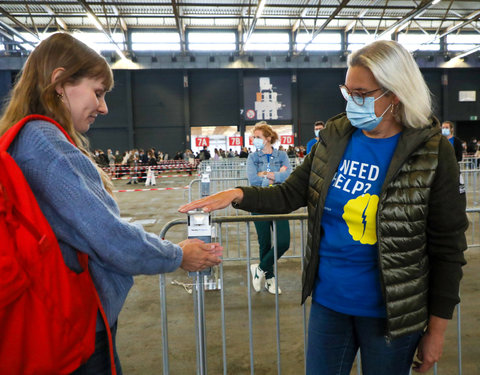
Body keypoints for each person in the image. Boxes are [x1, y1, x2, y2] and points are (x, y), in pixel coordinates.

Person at [179, 40, 467, 375]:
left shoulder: (432, 151)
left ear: (395, 93)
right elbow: (291, 193)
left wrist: (437, 330)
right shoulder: (335, 135)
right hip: (330, 303)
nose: (351, 102)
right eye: (348, 92)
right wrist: (237, 194)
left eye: (361, 94)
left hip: (392, 313)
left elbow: (448, 246)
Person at [1, 33, 223, 374]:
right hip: (76, 327)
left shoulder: (19, 138)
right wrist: (178, 254)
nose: (103, 107)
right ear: (60, 83)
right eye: (98, 92)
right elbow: (108, 237)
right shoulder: (44, 144)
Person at [247, 122, 292, 294]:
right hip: (259, 202)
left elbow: (287, 174)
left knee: (283, 242)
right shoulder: (252, 158)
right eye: (253, 137)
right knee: (264, 242)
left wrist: (265, 175)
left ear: (268, 138)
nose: (254, 140)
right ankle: (270, 279)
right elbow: (253, 180)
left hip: (279, 201)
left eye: (258, 137)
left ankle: (259, 268)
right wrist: (273, 178)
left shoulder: (282, 155)